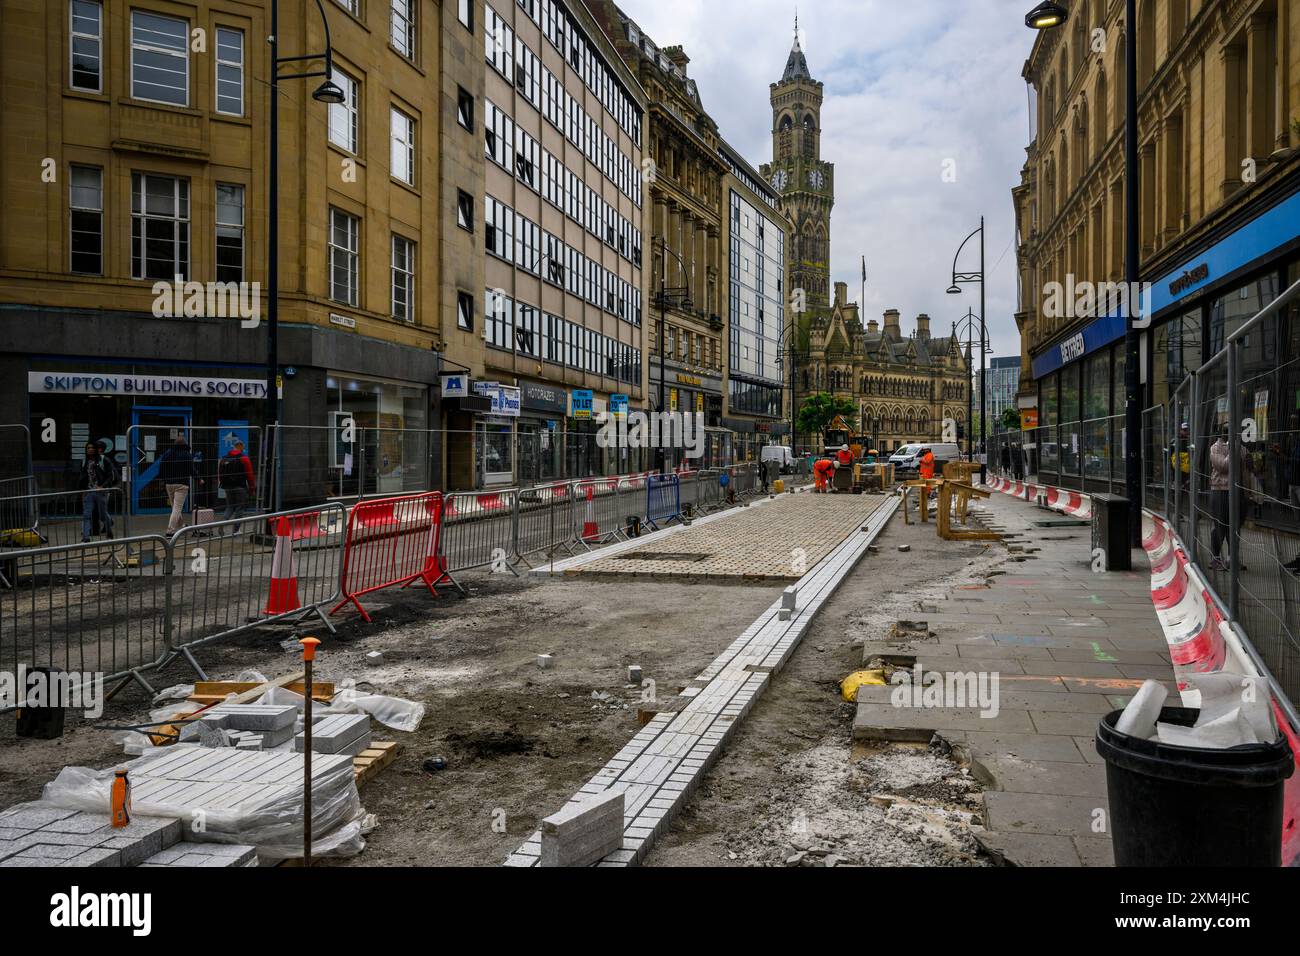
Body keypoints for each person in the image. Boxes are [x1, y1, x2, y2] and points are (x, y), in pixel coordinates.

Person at [1207, 427, 1249, 572]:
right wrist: (1233, 449)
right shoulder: (1215, 448)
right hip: (1220, 491)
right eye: (1228, 431)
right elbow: (1224, 466)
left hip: (1238, 491)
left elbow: (1246, 469)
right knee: (1220, 526)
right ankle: (1215, 558)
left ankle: (1232, 558)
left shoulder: (1241, 448)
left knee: (1235, 526)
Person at [159, 433, 202, 535]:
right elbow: (191, 469)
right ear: (185, 444)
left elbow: (161, 468)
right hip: (181, 484)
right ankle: (170, 531)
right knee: (177, 508)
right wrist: (198, 479)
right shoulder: (187, 454)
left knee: (175, 507)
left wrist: (164, 480)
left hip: (169, 484)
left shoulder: (167, 453)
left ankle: (182, 525)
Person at [78, 440, 117, 542]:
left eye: (92, 448)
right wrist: (83, 490)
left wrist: (102, 486)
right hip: (88, 492)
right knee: (86, 514)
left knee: (103, 515)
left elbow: (110, 476)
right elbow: (82, 477)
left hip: (101, 492)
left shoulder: (103, 460)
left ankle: (109, 531)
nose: (90, 449)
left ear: (96, 449)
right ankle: (86, 537)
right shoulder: (84, 461)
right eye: (88, 448)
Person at [218, 439, 255, 532]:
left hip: (227, 487)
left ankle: (222, 522)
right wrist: (252, 488)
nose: (244, 448)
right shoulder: (244, 458)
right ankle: (236, 530)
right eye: (243, 446)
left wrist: (224, 484)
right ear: (240, 446)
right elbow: (250, 475)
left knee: (230, 506)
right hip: (240, 486)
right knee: (240, 508)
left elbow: (220, 474)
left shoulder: (224, 458)